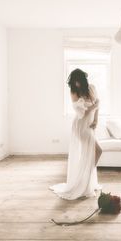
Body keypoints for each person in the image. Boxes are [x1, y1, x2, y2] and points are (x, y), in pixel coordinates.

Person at [49, 69, 103, 200]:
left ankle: (85, 179)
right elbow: (82, 113)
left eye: (78, 81)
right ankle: (83, 180)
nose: (76, 84)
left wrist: (96, 120)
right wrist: (93, 106)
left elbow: (98, 104)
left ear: (83, 80)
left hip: (90, 125)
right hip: (80, 126)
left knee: (92, 153)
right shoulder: (74, 92)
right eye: (74, 82)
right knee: (96, 151)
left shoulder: (91, 88)